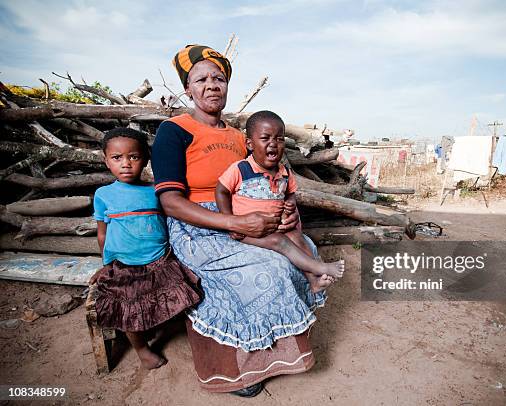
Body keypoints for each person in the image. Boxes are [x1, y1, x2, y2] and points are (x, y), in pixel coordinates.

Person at [152, 45, 328, 397]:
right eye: (201, 79)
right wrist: (232, 224)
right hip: (196, 226)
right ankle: (234, 371)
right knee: (262, 267)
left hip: (247, 216)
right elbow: (171, 203)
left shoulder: (238, 137)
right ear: (188, 90)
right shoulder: (173, 131)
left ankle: (277, 354)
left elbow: (264, 181)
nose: (211, 85)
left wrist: (285, 209)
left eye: (218, 77)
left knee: (304, 247)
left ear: (227, 85)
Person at [90, 127, 201, 370]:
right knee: (129, 308)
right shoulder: (104, 195)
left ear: (145, 159)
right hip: (125, 266)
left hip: (161, 260)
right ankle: (142, 350)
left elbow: (167, 223)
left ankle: (195, 338)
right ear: (105, 160)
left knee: (184, 292)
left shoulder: (155, 191)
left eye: (134, 157)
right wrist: (106, 266)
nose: (126, 164)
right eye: (117, 158)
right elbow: (102, 233)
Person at [215, 110, 344, 292]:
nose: (273, 144)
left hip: (276, 226)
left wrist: (290, 204)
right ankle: (319, 267)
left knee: (297, 238)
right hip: (247, 230)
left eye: (279, 139)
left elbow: (290, 193)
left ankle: (313, 281)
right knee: (279, 241)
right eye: (265, 138)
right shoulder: (241, 169)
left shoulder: (284, 172)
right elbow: (221, 190)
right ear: (250, 144)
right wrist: (230, 222)